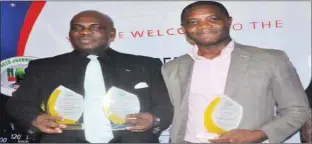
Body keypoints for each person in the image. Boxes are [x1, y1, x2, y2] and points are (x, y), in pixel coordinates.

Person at [6, 10, 173, 143]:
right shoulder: (42, 67)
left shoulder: (146, 65)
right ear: (70, 34)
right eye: (77, 28)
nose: (85, 32)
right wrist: (35, 119)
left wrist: (155, 120)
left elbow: (166, 105)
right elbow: (19, 104)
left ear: (112, 34)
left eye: (95, 27)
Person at [161, 1, 311, 143]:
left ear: (229, 21)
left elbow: (297, 110)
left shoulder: (271, 60)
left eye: (212, 18)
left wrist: (259, 135)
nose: (204, 26)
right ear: (184, 29)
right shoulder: (172, 68)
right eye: (193, 22)